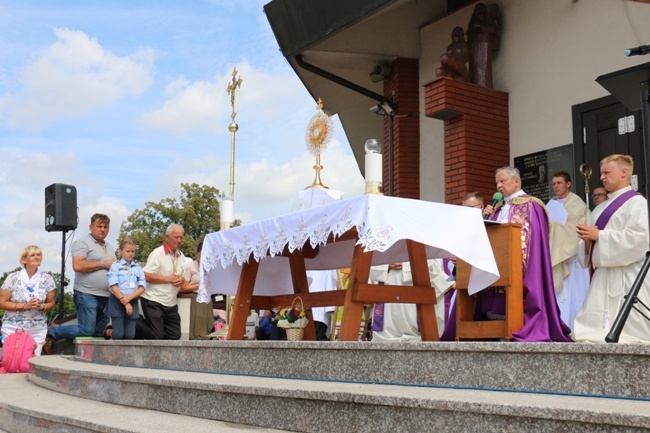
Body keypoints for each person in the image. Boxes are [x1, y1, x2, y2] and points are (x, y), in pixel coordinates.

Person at [481, 166, 572, 342]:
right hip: (501, 263)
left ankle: (525, 324)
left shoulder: (532, 204)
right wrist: (486, 217)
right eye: (497, 182)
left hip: (523, 263)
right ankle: (498, 324)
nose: (499, 186)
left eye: (503, 181)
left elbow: (535, 238)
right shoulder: (498, 208)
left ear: (516, 181)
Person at [574, 154, 650, 343]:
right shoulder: (600, 209)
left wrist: (599, 236)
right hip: (602, 277)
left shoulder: (637, 202)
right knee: (591, 335)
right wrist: (587, 241)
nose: (602, 177)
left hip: (628, 274)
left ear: (624, 172)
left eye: (607, 172)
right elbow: (589, 248)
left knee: (630, 335)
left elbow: (639, 238)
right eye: (601, 173)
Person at [45, 214, 116, 354]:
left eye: (105, 227)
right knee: (86, 330)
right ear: (91, 227)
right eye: (99, 226)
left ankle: (91, 359)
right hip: (87, 293)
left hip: (106, 295)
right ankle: (50, 332)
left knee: (99, 332)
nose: (102, 229)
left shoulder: (110, 246)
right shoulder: (82, 243)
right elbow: (77, 265)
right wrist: (103, 264)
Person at [547, 171, 590, 331]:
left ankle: (577, 328)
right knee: (560, 298)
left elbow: (576, 227)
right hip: (556, 255)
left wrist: (557, 228)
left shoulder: (577, 203)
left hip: (573, 258)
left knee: (577, 296)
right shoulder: (550, 205)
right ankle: (560, 327)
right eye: (554, 184)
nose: (556, 186)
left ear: (568, 184)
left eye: (559, 183)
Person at [370, 259, 453, 341]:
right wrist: (387, 266)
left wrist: (405, 265)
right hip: (387, 286)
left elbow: (431, 265)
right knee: (388, 330)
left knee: (411, 321)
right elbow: (370, 264)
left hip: (410, 285)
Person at [439, 192, 484, 341]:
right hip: (464, 282)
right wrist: (457, 263)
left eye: (470, 208)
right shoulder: (460, 230)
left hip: (483, 282)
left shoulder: (489, 227)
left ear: (481, 207)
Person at [0, 246, 56, 356]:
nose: (36, 257)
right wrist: (25, 306)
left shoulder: (47, 279)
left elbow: (51, 303)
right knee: (12, 360)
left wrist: (41, 307)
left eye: (38, 255)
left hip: (37, 327)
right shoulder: (13, 278)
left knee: (32, 362)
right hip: (13, 326)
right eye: (32, 255)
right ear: (24, 260)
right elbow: (2, 303)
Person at [135, 224, 186, 340]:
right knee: (157, 335)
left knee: (175, 336)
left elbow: (182, 279)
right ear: (167, 237)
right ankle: (131, 321)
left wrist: (181, 280)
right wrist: (168, 279)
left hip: (171, 302)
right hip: (153, 300)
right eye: (176, 237)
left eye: (181, 237)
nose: (179, 240)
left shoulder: (181, 256)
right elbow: (146, 275)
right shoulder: (157, 253)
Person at [106, 238, 146, 340]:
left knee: (130, 335)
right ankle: (109, 332)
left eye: (133, 251)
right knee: (119, 335)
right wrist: (125, 301)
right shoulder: (115, 266)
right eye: (127, 251)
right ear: (120, 250)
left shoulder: (137, 267)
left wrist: (129, 299)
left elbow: (142, 287)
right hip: (118, 300)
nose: (130, 254)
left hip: (132, 300)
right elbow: (113, 286)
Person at [179, 240, 215, 340]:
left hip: (208, 299)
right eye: (202, 252)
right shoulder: (190, 266)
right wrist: (199, 285)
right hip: (196, 299)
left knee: (208, 325)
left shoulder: (211, 267)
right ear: (198, 253)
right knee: (198, 330)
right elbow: (183, 287)